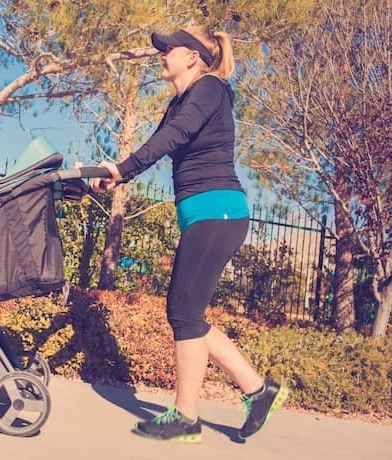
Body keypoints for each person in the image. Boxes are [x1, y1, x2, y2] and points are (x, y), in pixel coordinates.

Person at [92, 26, 289, 443]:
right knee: (188, 315)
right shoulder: (182, 101)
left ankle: (187, 416)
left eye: (169, 49)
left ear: (194, 57)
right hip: (206, 215)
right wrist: (113, 177)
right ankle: (258, 389)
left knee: (182, 313)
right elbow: (158, 140)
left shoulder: (210, 89)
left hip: (218, 212)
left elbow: (173, 138)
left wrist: (123, 169)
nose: (161, 54)